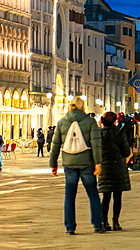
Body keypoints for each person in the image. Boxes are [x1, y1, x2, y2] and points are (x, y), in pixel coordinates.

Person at [49, 96, 104, 236]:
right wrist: (98, 163)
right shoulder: (90, 122)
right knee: (92, 194)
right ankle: (98, 224)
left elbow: (55, 144)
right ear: (82, 107)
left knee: (69, 195)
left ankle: (70, 227)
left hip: (69, 163)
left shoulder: (62, 122)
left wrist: (53, 163)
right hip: (86, 163)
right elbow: (96, 144)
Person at [97, 111, 130, 232]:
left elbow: (96, 150)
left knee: (106, 197)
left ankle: (104, 222)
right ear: (115, 121)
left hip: (105, 166)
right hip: (118, 166)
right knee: (117, 196)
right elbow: (126, 151)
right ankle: (116, 222)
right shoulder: (120, 133)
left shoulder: (99, 134)